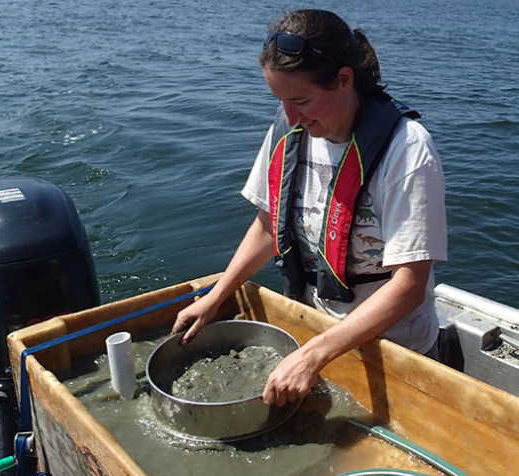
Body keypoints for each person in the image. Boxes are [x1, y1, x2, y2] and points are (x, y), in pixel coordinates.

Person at [172, 9, 447, 408]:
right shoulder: (289, 131)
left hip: (396, 350)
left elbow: (409, 286)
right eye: (280, 100)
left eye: (300, 100)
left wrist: (314, 354)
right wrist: (217, 295)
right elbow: (268, 225)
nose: (290, 116)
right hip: (318, 334)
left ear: (344, 79)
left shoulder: (407, 150)